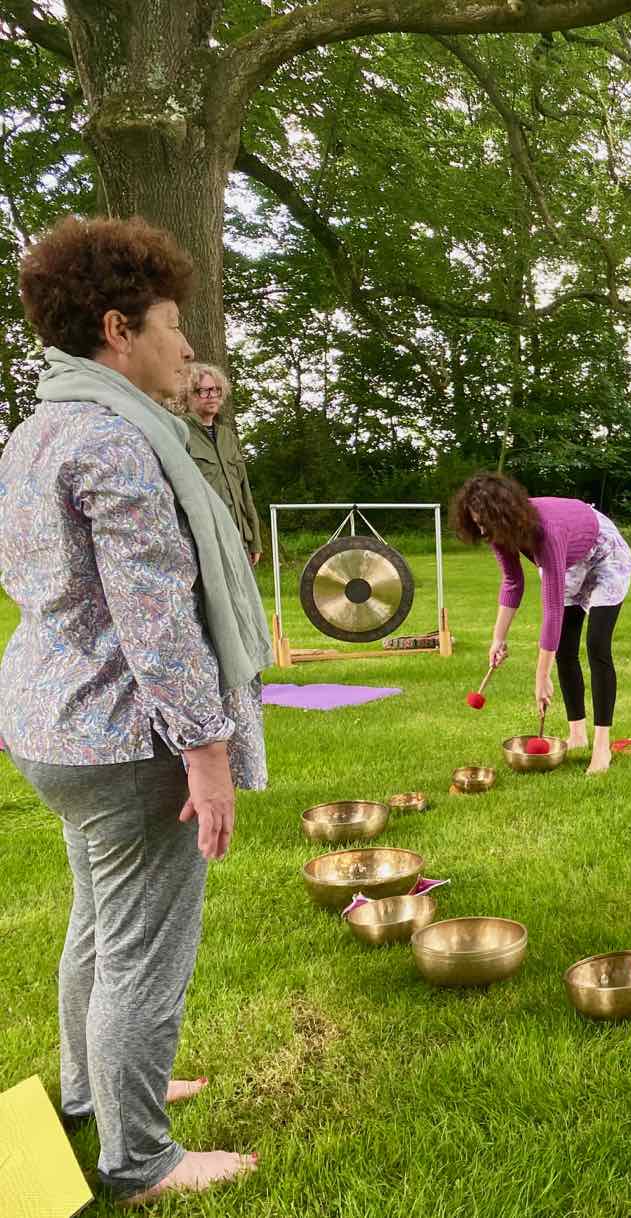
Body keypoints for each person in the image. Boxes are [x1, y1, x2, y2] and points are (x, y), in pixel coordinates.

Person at [0, 216, 270, 1203]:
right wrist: (208, 754)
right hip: (123, 738)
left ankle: (93, 1089)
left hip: (46, 725)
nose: (186, 344)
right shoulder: (116, 443)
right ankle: (140, 1159)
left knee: (96, 925)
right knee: (143, 953)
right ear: (118, 329)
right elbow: (157, 627)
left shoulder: (36, 430)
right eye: (169, 323)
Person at [452, 473, 631, 775]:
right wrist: (498, 639)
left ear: (505, 516)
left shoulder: (547, 532)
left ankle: (603, 747)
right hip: (572, 560)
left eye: (486, 523)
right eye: (477, 524)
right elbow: (512, 583)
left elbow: (552, 610)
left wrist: (541, 677)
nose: (483, 530)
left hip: (604, 553)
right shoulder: (498, 534)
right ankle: (577, 734)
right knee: (564, 648)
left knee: (597, 646)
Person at [177, 361, 263, 565]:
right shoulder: (179, 433)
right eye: (204, 391)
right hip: (204, 540)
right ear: (187, 395)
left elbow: (245, 492)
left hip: (239, 538)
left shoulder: (228, 437)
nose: (212, 396)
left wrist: (255, 541)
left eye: (216, 390)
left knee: (244, 597)